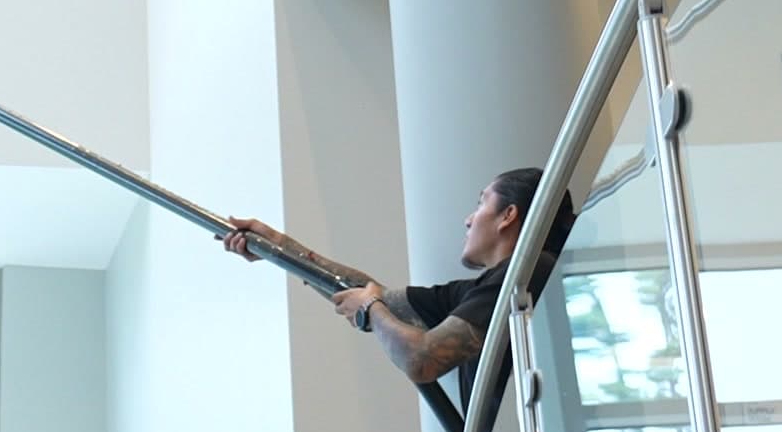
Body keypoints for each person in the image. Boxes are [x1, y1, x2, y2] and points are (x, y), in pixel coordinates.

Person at [221, 167, 568, 391]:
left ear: (508, 215)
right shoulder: (483, 289)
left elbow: (422, 359)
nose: (468, 220)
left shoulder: (527, 274)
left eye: (481, 204)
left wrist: (371, 309)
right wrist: (278, 246)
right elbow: (370, 294)